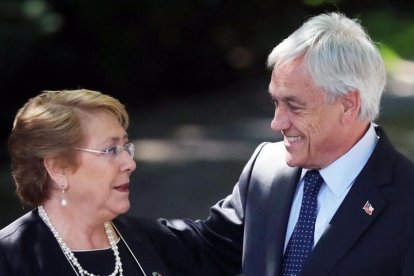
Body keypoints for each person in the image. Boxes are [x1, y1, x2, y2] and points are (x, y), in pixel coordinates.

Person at [162, 12, 414, 275]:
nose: (277, 122)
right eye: (276, 102)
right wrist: (120, 228)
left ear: (348, 105)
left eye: (294, 106)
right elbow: (207, 249)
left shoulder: (407, 201)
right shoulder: (267, 167)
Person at [0, 89, 200, 276]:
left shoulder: (151, 240)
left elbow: (223, 235)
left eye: (125, 147)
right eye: (110, 150)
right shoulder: (10, 259)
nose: (130, 163)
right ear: (58, 168)